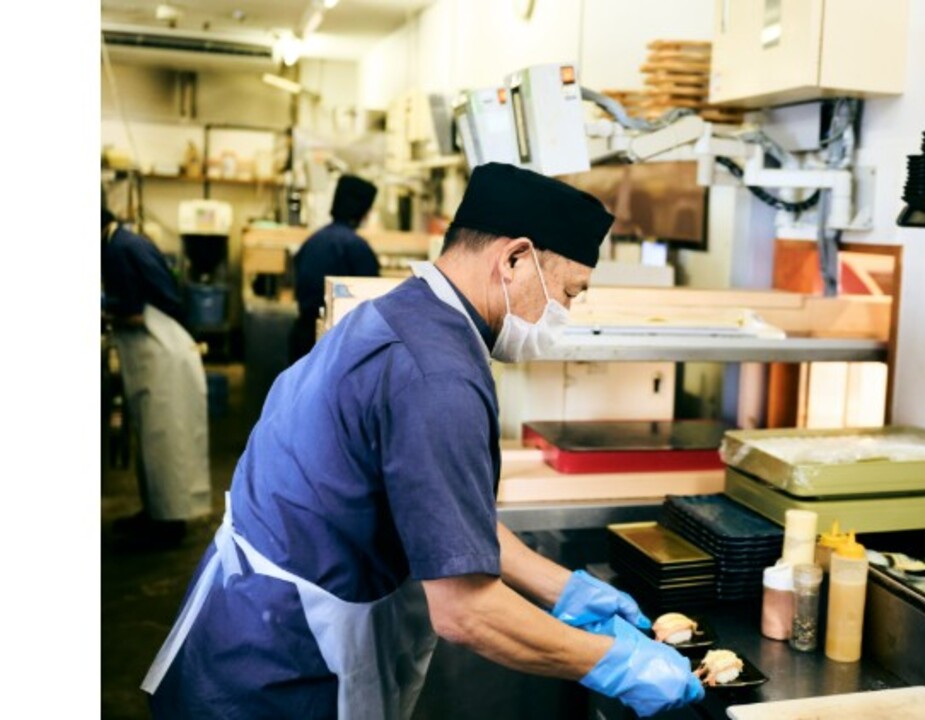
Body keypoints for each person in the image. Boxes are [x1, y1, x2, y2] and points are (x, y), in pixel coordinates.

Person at [142, 163, 705, 719]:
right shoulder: (438, 376)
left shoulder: (406, 313)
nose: (565, 315)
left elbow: (449, 518)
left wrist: (566, 590)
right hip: (286, 666)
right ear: (513, 259)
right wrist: (617, 663)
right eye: (567, 293)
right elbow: (466, 612)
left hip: (249, 622)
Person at [101, 207, 212, 550]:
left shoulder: (118, 249)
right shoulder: (125, 241)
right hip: (164, 349)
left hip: (161, 351)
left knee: (165, 440)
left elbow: (133, 313)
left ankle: (167, 522)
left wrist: (102, 308)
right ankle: (156, 511)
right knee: (156, 439)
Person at [289, 173, 382, 362]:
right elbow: (374, 299)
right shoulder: (357, 247)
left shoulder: (314, 240)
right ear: (363, 211)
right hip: (335, 345)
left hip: (302, 337)